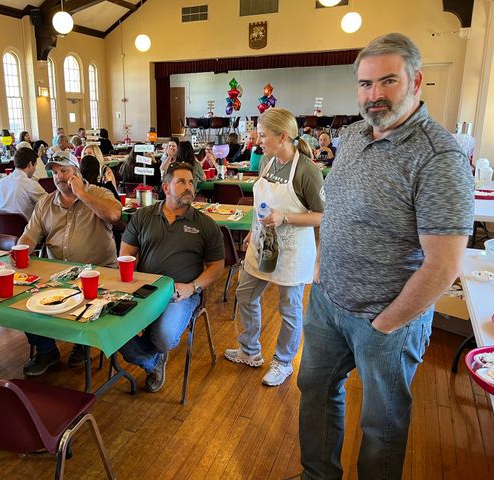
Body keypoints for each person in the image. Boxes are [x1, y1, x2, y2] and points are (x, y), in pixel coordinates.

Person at [297, 33, 474, 480]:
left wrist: (387, 323)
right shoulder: (354, 135)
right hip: (328, 304)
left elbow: (444, 265)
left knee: (382, 425)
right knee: (315, 392)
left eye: (387, 81)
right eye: (364, 84)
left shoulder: (439, 157)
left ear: (416, 83)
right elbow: (336, 207)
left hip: (388, 320)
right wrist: (319, 272)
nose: (373, 95)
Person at [224, 108, 324, 387]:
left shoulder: (306, 170)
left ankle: (283, 362)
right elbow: (262, 203)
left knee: (289, 308)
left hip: (292, 250)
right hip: (261, 243)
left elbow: (323, 215)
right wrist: (251, 232)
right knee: (245, 294)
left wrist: (285, 217)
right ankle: (250, 350)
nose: (258, 139)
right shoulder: (268, 161)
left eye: (263, 134)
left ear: (282, 137)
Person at [119, 162, 225, 392]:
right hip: (144, 290)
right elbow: (126, 252)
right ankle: (154, 361)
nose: (189, 187)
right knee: (114, 330)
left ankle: (155, 351)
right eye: (181, 182)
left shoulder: (206, 225)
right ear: (166, 187)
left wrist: (193, 287)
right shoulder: (143, 216)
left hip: (182, 294)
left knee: (164, 337)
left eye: (191, 182)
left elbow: (217, 267)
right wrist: (133, 279)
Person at [17, 150, 122, 376]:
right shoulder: (46, 202)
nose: (59, 177)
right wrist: (20, 252)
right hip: (57, 276)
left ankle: (83, 343)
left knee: (89, 302)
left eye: (64, 171)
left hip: (99, 274)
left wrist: (82, 194)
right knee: (21, 303)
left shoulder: (99, 193)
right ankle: (47, 351)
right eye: (55, 172)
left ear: (77, 172)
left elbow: (114, 215)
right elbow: (29, 236)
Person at [0, 148, 47, 220]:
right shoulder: (30, 185)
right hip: (27, 229)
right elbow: (49, 205)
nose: (35, 169)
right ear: (30, 164)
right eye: (35, 165)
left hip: (2, 230)